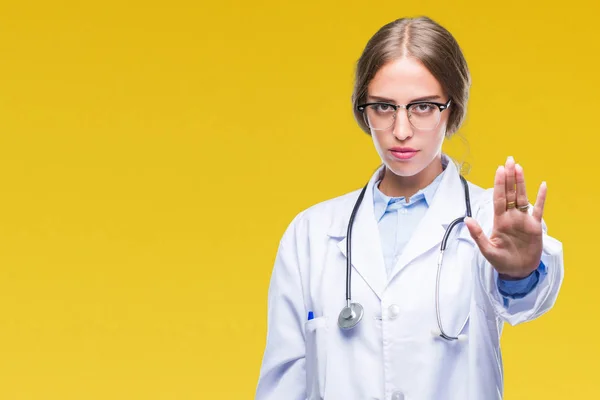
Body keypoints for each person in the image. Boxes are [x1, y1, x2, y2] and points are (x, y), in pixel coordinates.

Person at [255, 16, 564, 400]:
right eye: (384, 107)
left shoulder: (488, 219)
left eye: (422, 107)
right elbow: (282, 384)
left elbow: (527, 305)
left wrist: (519, 274)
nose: (401, 130)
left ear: (451, 109)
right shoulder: (311, 234)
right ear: (363, 111)